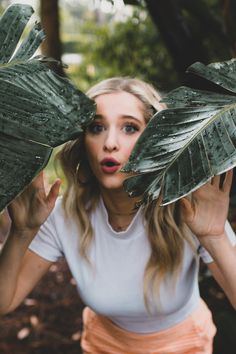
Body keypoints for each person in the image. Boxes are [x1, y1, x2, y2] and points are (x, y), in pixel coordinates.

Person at [0, 77, 235, 354]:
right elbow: (5, 302)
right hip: (103, 344)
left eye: (129, 128)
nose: (110, 143)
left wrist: (214, 236)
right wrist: (21, 232)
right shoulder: (62, 214)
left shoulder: (187, 208)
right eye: (97, 127)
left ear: (155, 140)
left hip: (184, 344)